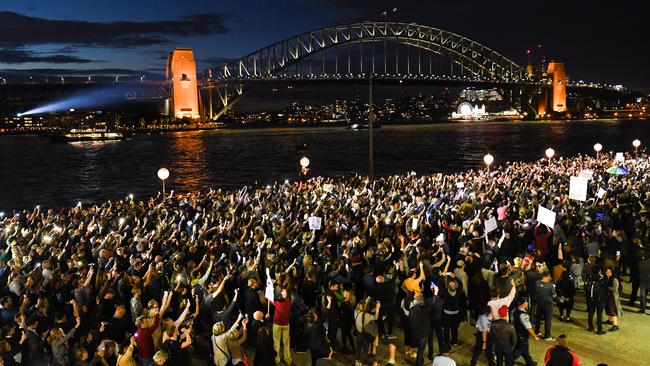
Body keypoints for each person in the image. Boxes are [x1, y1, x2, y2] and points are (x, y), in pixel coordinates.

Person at [512, 297, 539, 366]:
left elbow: (512, 321)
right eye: (526, 302)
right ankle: (509, 360)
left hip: (517, 333)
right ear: (524, 304)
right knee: (518, 351)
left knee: (525, 350)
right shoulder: (524, 315)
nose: (527, 303)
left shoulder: (514, 310)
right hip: (523, 336)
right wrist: (534, 336)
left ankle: (530, 363)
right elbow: (528, 328)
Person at [534, 271, 556, 341]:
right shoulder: (550, 285)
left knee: (538, 318)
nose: (550, 278)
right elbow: (554, 295)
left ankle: (536, 331)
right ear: (547, 276)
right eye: (550, 276)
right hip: (547, 305)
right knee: (548, 320)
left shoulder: (537, 283)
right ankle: (547, 336)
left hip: (539, 303)